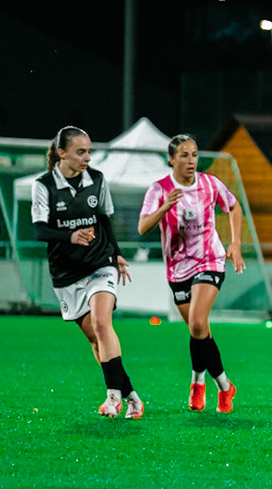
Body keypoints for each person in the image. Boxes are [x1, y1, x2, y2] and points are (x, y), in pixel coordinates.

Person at [30, 126, 144, 419]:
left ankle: (112, 397)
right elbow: (40, 230)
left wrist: (116, 254)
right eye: (81, 152)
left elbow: (104, 220)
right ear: (61, 154)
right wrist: (69, 236)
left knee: (102, 322)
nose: (87, 157)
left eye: (90, 151)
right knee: (95, 339)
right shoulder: (43, 185)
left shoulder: (97, 179)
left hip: (99, 264)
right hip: (66, 274)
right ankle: (131, 396)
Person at [136, 134, 246, 412]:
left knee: (198, 322)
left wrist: (235, 243)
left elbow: (233, 206)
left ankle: (205, 384)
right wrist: (164, 207)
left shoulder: (210, 184)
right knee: (199, 331)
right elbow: (142, 227)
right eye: (184, 155)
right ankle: (219, 384)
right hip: (177, 268)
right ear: (171, 159)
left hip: (210, 260)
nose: (190, 160)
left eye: (194, 154)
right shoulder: (159, 189)